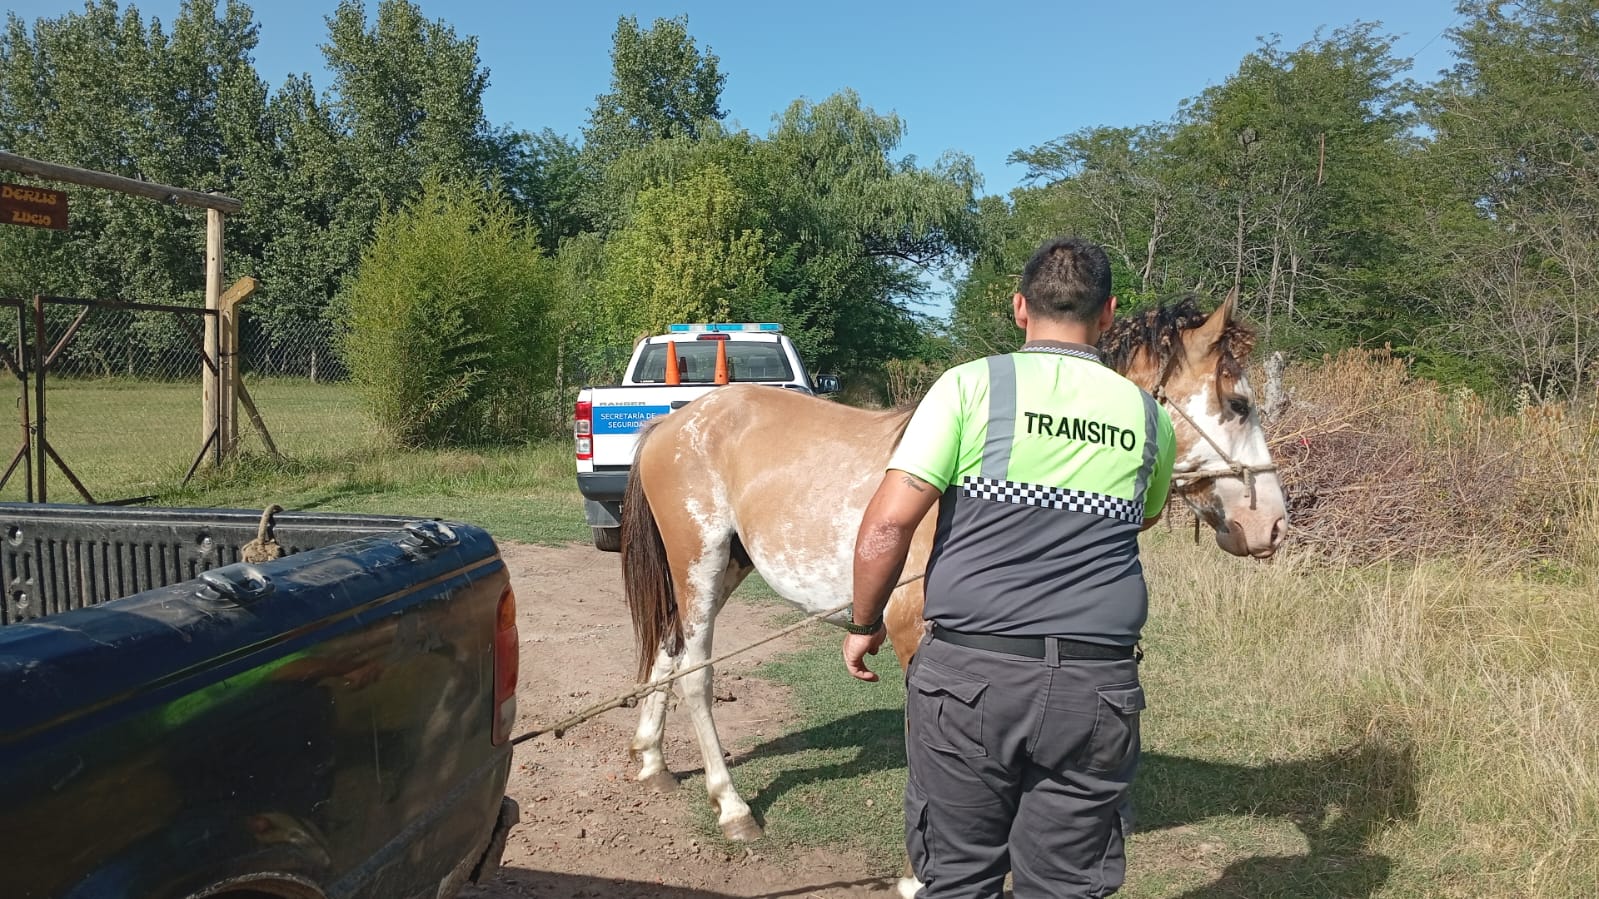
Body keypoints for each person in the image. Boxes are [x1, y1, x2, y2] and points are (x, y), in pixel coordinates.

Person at [841, 236, 1177, 898]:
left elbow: (887, 523)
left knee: (960, 872)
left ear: (1020, 307)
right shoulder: (1147, 416)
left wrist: (862, 620)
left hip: (971, 679)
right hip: (1096, 685)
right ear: (1107, 314)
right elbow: (1141, 516)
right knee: (1064, 883)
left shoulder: (971, 387)